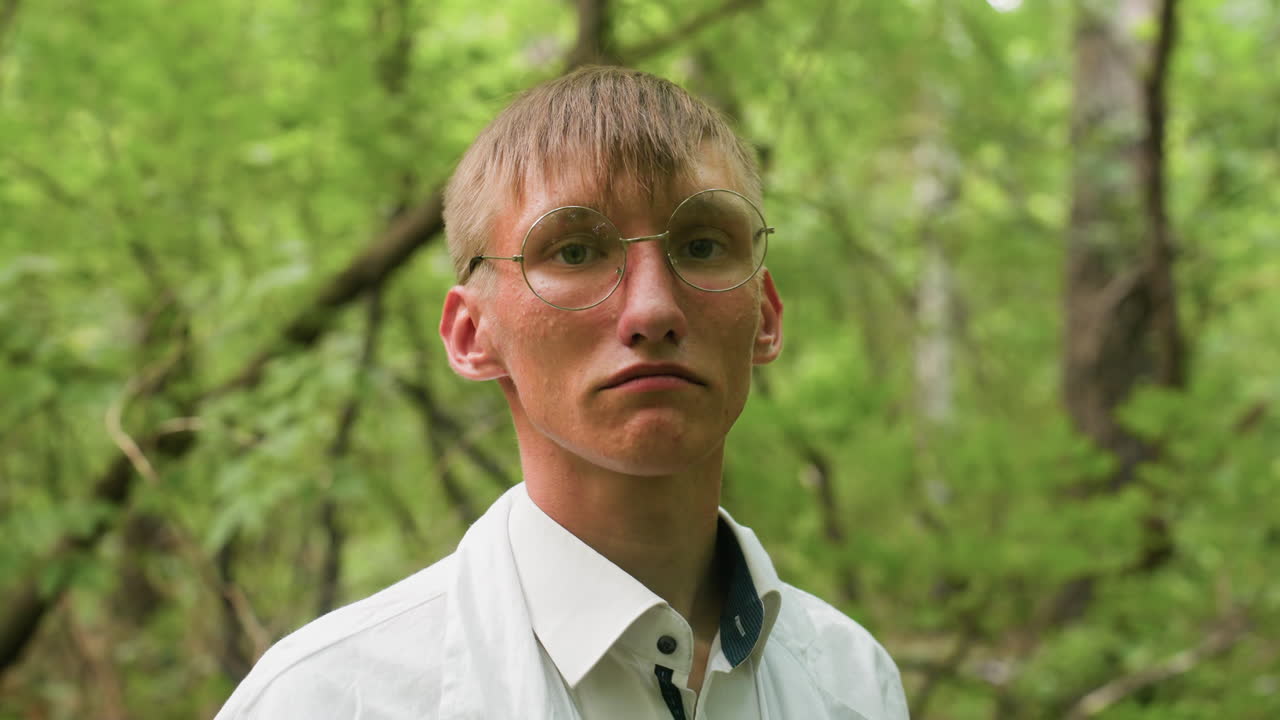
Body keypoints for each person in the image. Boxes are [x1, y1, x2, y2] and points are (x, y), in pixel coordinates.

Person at [215, 66, 908, 720]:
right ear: (470, 335)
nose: (652, 310)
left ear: (766, 316)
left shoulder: (852, 683)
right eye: (575, 251)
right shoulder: (331, 699)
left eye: (700, 245)